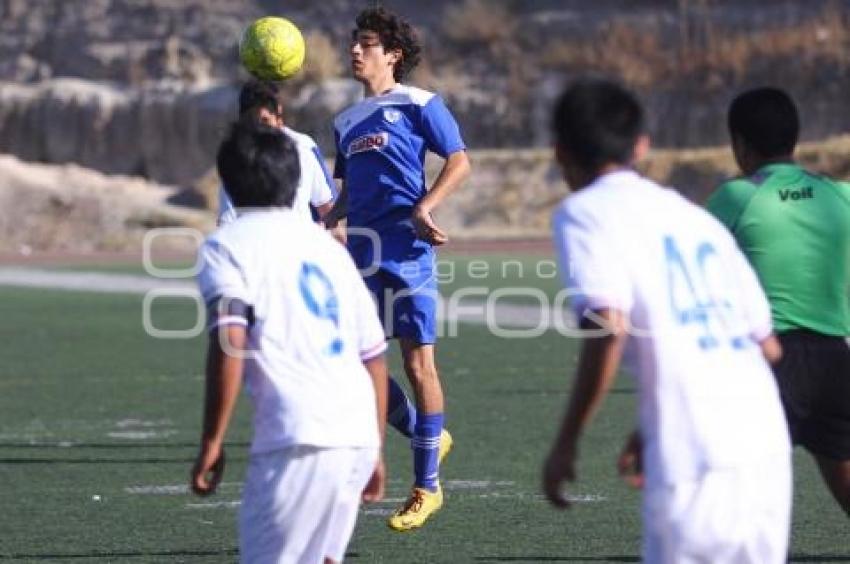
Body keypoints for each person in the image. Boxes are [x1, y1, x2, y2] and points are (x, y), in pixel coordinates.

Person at [542, 79, 792, 562]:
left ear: (560, 151)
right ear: (641, 145)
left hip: (693, 455)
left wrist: (567, 442)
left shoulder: (583, 212)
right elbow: (768, 346)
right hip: (764, 446)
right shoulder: (693, 218)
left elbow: (608, 325)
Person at [190, 120, 388, 564]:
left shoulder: (226, 247)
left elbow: (230, 342)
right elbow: (373, 358)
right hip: (354, 435)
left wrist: (211, 442)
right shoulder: (330, 249)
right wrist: (374, 449)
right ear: (295, 179)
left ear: (228, 181)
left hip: (296, 439)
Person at [324, 7, 471, 531]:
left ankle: (426, 487)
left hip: (408, 252)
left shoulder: (421, 104)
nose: (355, 51)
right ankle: (427, 432)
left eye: (366, 44)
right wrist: (324, 218)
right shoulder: (344, 121)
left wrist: (424, 207)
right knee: (358, 369)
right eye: (354, 43)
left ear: (393, 55)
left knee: (417, 365)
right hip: (360, 256)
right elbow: (346, 194)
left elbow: (459, 160)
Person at [707, 86, 850, 516]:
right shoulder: (838, 195)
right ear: (795, 137)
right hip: (835, 358)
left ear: (739, 144)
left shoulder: (734, 197)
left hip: (768, 360)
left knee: (741, 483)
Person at [218, 80, 336, 226]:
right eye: (252, 121)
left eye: (265, 120)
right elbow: (226, 221)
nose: (259, 128)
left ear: (279, 119)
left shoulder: (302, 148)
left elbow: (326, 208)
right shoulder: (235, 160)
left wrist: (322, 236)